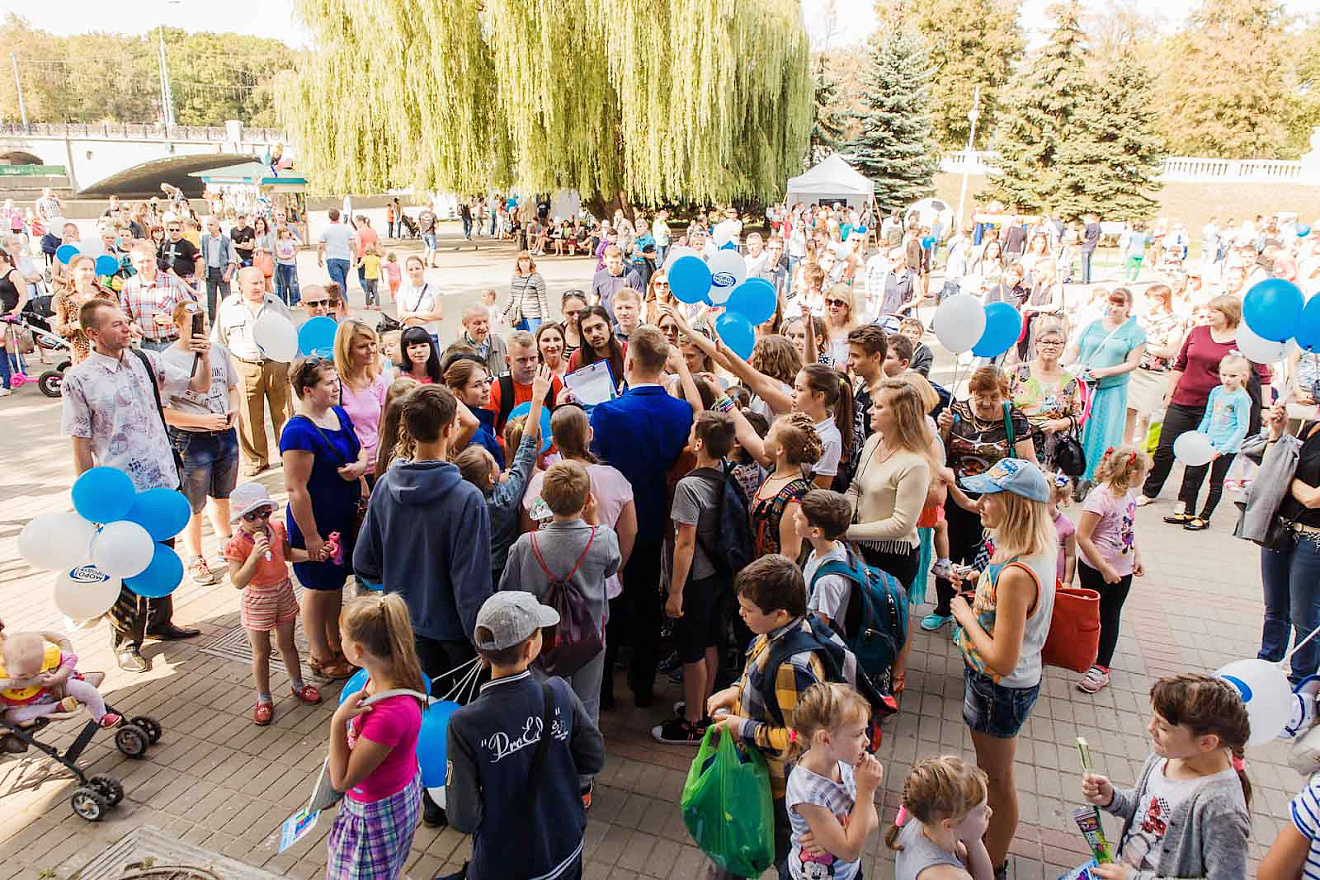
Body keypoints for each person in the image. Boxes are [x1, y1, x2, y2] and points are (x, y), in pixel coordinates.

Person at [61, 300, 208, 671]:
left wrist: (203, 354)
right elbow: (80, 440)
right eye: (115, 324)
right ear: (92, 333)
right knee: (125, 564)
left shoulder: (145, 360)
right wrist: (88, 496)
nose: (126, 328)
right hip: (120, 493)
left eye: (125, 321)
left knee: (162, 553)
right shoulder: (79, 379)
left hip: (161, 482)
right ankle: (126, 641)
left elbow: (197, 386)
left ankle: (160, 621)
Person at [446, 591, 605, 877]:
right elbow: (593, 758)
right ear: (530, 648)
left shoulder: (465, 723)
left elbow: (463, 817)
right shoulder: (558, 692)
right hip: (566, 847)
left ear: (482, 653)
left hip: (504, 863)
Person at [948, 458, 1057, 879]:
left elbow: (1001, 658)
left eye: (989, 497)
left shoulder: (1016, 574)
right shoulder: (1032, 548)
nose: (979, 504)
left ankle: (991, 862)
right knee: (994, 773)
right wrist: (979, 585)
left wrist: (965, 616)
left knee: (996, 778)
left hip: (999, 687)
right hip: (1005, 684)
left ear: (1013, 506)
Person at [354, 383, 493, 686]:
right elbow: (471, 583)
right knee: (458, 710)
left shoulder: (384, 485)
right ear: (448, 429)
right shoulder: (467, 498)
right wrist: (483, 640)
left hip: (405, 628)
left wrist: (398, 587)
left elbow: (363, 562)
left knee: (420, 706)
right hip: (455, 636)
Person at [705, 555, 833, 875]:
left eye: (748, 610)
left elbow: (799, 740)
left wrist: (743, 728)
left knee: (782, 858)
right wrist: (735, 690)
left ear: (780, 614)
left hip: (775, 792)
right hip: (759, 777)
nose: (741, 614)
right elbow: (757, 673)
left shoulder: (792, 667)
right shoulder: (773, 633)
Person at [589, 325, 693, 708]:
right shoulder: (681, 410)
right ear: (663, 364)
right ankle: (643, 686)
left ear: (628, 361)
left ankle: (603, 690)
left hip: (612, 518)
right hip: (656, 515)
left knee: (609, 602)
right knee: (647, 598)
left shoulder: (608, 412)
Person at [1080, 674, 1251, 880]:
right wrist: (1113, 798)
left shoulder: (1223, 808)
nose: (1150, 728)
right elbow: (1146, 810)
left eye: (1163, 727)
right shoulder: (1165, 757)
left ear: (1206, 742)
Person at [324, 594, 427, 880]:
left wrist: (337, 722)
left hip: (374, 814)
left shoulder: (387, 715)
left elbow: (342, 780)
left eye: (342, 637)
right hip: (398, 794)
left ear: (358, 651)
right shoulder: (395, 676)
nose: (339, 642)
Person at [281, 357, 370, 680]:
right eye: (329, 383)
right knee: (318, 588)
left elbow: (359, 450)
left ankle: (336, 644)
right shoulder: (298, 432)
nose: (336, 388)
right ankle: (319, 653)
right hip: (317, 522)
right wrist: (311, 536)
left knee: (335, 585)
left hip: (344, 516)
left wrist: (360, 468)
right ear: (307, 390)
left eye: (336, 381)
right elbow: (296, 489)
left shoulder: (338, 414)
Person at [653, 411, 738, 745]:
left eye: (692, 431)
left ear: (699, 443)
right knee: (711, 642)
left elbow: (685, 543)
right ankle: (703, 705)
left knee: (692, 651)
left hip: (695, 578)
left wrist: (675, 592)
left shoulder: (689, 486)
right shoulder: (726, 473)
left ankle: (692, 723)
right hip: (718, 573)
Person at [1140, 295, 1271, 506]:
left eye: (1214, 311)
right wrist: (1170, 393)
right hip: (1183, 400)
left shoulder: (1242, 341)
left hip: (1217, 408)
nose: (1208, 314)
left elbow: (1263, 376)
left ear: (1229, 314)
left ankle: (1185, 501)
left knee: (1199, 454)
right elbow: (1180, 364)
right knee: (1165, 448)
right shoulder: (1197, 332)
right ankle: (1150, 491)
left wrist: (1265, 407)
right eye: (1208, 309)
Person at [223, 482, 323, 725]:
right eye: (251, 516)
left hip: (283, 590)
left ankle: (298, 684)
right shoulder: (236, 544)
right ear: (239, 518)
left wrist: (313, 555)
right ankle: (264, 698)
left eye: (265, 513)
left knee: (287, 643)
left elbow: (287, 555)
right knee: (261, 651)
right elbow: (238, 581)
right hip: (258, 597)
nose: (260, 521)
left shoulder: (277, 528)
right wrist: (254, 556)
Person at [160, 300, 240, 585]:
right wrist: (202, 422)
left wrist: (234, 410)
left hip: (224, 433)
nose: (200, 331)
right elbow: (164, 411)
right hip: (191, 439)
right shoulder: (167, 359)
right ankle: (195, 556)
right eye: (193, 326)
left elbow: (232, 387)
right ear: (177, 326)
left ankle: (225, 541)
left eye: (204, 324)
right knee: (193, 502)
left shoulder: (217, 351)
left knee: (222, 494)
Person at [783, 682, 884, 880]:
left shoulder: (844, 762)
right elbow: (849, 851)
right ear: (826, 739)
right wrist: (866, 792)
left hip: (847, 872)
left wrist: (838, 837)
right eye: (858, 734)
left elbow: (872, 820)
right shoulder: (808, 793)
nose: (867, 741)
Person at [460, 366, 551, 582]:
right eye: (493, 461)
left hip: (472, 573)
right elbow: (525, 451)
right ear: (489, 477)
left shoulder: (461, 500)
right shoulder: (504, 498)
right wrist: (537, 399)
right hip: (503, 570)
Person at [1075, 446, 1149, 695]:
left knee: (1111, 614)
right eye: (1145, 473)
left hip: (1122, 570)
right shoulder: (1100, 498)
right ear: (1132, 473)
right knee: (1091, 614)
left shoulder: (1128, 497)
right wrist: (1104, 567)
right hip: (1096, 570)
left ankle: (1102, 666)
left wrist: (1137, 554)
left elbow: (1128, 529)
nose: (1146, 477)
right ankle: (1081, 651)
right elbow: (1082, 536)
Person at [211, 267, 293, 477]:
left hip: (276, 363)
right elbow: (219, 340)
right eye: (253, 283)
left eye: (261, 282)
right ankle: (256, 460)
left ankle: (289, 455)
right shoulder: (229, 307)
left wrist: (290, 363)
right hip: (244, 365)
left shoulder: (276, 303)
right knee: (248, 415)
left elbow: (289, 334)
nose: (258, 287)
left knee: (284, 412)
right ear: (240, 284)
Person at [1068, 287, 1147, 486]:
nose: (1114, 308)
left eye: (1120, 305)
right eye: (1111, 303)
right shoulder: (1094, 325)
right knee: (1078, 429)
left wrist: (1106, 371)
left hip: (1110, 389)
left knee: (1102, 433)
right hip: (1084, 386)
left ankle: (1094, 475)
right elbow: (1075, 349)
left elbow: (1133, 363)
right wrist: (1062, 366)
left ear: (1129, 306)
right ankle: (1073, 469)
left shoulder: (1135, 332)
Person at [1165, 355, 1252, 530]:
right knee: (1193, 477)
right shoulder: (1217, 391)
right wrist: (1198, 436)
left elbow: (1242, 428)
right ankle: (1189, 512)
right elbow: (1208, 415)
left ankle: (1205, 517)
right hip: (1208, 442)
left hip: (1226, 447)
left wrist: (1224, 449)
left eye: (1233, 376)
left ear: (1243, 375)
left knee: (1215, 483)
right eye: (1224, 374)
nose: (1227, 379)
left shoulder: (1241, 398)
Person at [886, 756, 994, 880]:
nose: (990, 812)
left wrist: (973, 839)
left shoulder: (929, 824)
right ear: (949, 824)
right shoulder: (950, 877)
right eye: (981, 811)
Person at [1009, 318, 1085, 472]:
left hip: (1049, 446)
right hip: (1014, 439)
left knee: (1042, 483)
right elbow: (1001, 403)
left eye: (1056, 343)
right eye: (1046, 342)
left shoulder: (1070, 381)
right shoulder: (1016, 372)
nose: (1050, 346)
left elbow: (1077, 415)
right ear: (1037, 344)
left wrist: (1058, 424)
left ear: (1063, 347)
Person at [0, 631, 120, 728]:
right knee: (12, 717)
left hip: (54, 689)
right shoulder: (2, 670)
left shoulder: (47, 655)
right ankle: (56, 707)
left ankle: (101, 716)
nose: (31, 676)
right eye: (22, 674)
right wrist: (11, 683)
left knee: (86, 689)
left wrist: (59, 676)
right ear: (5, 665)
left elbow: (71, 658)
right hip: (22, 703)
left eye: (37, 670)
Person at [1126, 283, 1187, 446]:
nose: (1146, 302)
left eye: (1150, 299)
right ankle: (1126, 445)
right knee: (1129, 409)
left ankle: (1144, 445)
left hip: (1156, 374)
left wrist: (1145, 345)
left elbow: (1170, 351)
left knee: (1147, 413)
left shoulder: (1175, 322)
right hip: (1135, 370)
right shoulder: (1141, 318)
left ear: (1161, 299)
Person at [334, 320, 388, 484]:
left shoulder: (378, 382)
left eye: (373, 344)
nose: (371, 350)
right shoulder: (336, 385)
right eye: (362, 346)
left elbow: (383, 427)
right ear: (347, 350)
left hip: (378, 466)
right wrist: (360, 475)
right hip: (351, 467)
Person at [119, 241, 197, 353]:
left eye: (148, 260)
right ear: (133, 263)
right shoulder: (128, 286)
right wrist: (131, 325)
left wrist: (174, 319)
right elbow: (124, 314)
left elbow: (192, 309)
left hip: (172, 343)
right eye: (141, 262)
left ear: (155, 260)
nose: (146, 265)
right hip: (145, 346)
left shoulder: (172, 282)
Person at [489, 330, 564, 435]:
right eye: (522, 360)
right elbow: (488, 432)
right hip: (509, 444)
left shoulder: (550, 380)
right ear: (508, 360)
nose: (529, 365)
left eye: (533, 358)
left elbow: (563, 423)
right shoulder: (498, 388)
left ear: (538, 355)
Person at [51, 253, 116, 366]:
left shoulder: (106, 294)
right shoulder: (64, 297)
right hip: (82, 356)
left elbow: (121, 319)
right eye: (84, 269)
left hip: (109, 353)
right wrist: (74, 326)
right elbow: (59, 329)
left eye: (91, 269)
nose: (88, 273)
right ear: (72, 271)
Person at [445, 356, 504, 470]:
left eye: (486, 381)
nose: (486, 388)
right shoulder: (472, 432)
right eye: (477, 385)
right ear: (457, 393)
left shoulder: (482, 419)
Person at [567, 305, 627, 383]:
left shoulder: (629, 352)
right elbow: (568, 388)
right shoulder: (577, 358)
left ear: (610, 326)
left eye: (599, 327)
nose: (594, 334)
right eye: (588, 330)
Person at [396, 255, 443, 344]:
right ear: (407, 272)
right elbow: (402, 316)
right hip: (410, 335)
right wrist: (427, 315)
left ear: (423, 269)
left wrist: (411, 314)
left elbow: (438, 315)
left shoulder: (433, 289)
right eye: (411, 269)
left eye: (417, 268)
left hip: (430, 334)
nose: (414, 272)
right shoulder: (403, 290)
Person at [591, 244, 641, 323]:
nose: (614, 266)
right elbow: (594, 301)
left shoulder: (632, 275)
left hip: (627, 321)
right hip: (607, 322)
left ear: (621, 258)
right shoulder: (599, 277)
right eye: (611, 263)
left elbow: (640, 300)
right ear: (604, 259)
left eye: (617, 262)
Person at [198, 216, 236, 321]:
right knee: (211, 300)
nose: (209, 227)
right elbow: (202, 256)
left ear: (217, 226)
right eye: (207, 225)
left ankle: (228, 320)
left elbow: (232, 259)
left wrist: (228, 273)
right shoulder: (205, 239)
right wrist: (202, 271)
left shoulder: (225, 240)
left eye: (211, 225)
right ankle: (212, 323)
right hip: (210, 271)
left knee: (226, 299)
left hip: (222, 272)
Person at [317, 209, 358, 297]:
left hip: (332, 257)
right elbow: (353, 243)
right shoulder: (347, 228)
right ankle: (343, 299)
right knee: (342, 281)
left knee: (338, 283)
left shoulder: (326, 229)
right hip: (345, 258)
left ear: (329, 217)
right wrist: (355, 256)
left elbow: (320, 246)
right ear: (339, 216)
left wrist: (319, 258)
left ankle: (343, 302)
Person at [460, 304, 508, 377]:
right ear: (465, 325)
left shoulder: (499, 343)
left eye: (485, 321)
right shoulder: (456, 350)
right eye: (477, 323)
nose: (483, 327)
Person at [506, 250, 548, 332]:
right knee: (521, 339)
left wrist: (546, 316)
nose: (523, 263)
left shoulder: (537, 278)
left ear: (530, 262)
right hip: (519, 317)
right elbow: (511, 297)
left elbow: (542, 299)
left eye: (526, 261)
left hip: (533, 316)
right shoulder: (515, 277)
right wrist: (503, 313)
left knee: (533, 338)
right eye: (521, 261)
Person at [1049, 473, 1077, 585]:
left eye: (1046, 500)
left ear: (1057, 499)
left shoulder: (1067, 526)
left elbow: (1070, 555)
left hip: (1056, 578)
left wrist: (1067, 581)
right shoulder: (1033, 520)